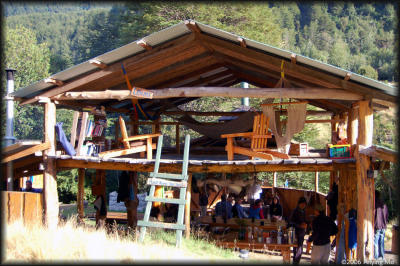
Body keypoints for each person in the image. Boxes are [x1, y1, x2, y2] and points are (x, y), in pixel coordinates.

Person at [289, 196, 308, 265]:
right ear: (299, 204)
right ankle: (295, 261)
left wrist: (306, 224)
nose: (303, 205)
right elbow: (290, 222)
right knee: (296, 248)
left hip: (302, 232)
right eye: (302, 204)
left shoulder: (304, 211)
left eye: (304, 204)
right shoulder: (294, 211)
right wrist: (299, 225)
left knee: (300, 247)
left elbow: (305, 220)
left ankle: (296, 262)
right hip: (296, 232)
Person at [374, 190, 389, 260]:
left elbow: (373, 215)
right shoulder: (384, 204)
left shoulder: (374, 204)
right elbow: (386, 216)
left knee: (376, 242)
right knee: (381, 242)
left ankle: (376, 257)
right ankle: (382, 257)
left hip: (377, 225)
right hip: (383, 226)